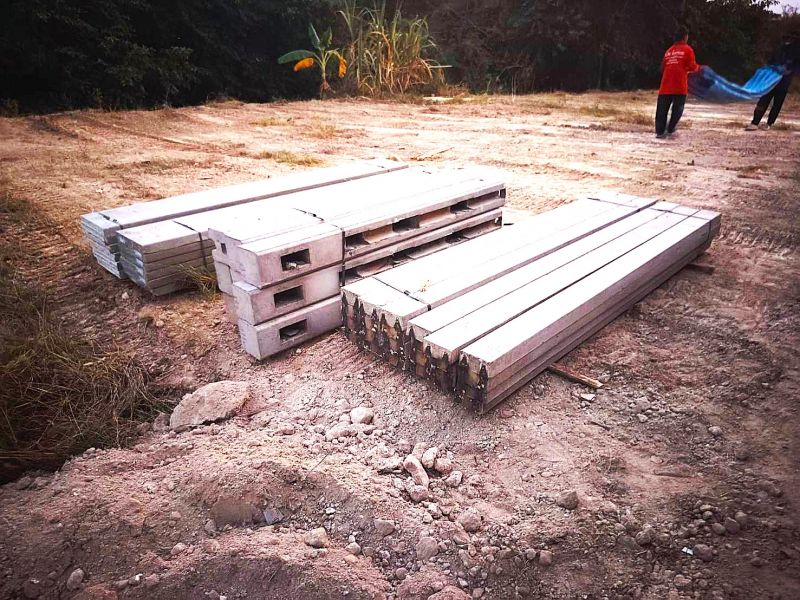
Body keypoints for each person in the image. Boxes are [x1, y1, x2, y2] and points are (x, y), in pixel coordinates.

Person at [745, 37, 800, 131]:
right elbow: (770, 61)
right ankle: (756, 122)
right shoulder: (779, 48)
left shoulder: (795, 50)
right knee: (765, 101)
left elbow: (796, 67)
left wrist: (788, 70)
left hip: (782, 81)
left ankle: (767, 123)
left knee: (775, 103)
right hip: (771, 80)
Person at [655, 27, 700, 139]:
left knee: (661, 111)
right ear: (685, 37)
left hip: (665, 86)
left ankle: (659, 132)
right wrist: (698, 68)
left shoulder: (669, 51)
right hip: (679, 86)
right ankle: (670, 129)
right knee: (677, 109)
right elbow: (692, 67)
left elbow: (662, 68)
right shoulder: (688, 50)